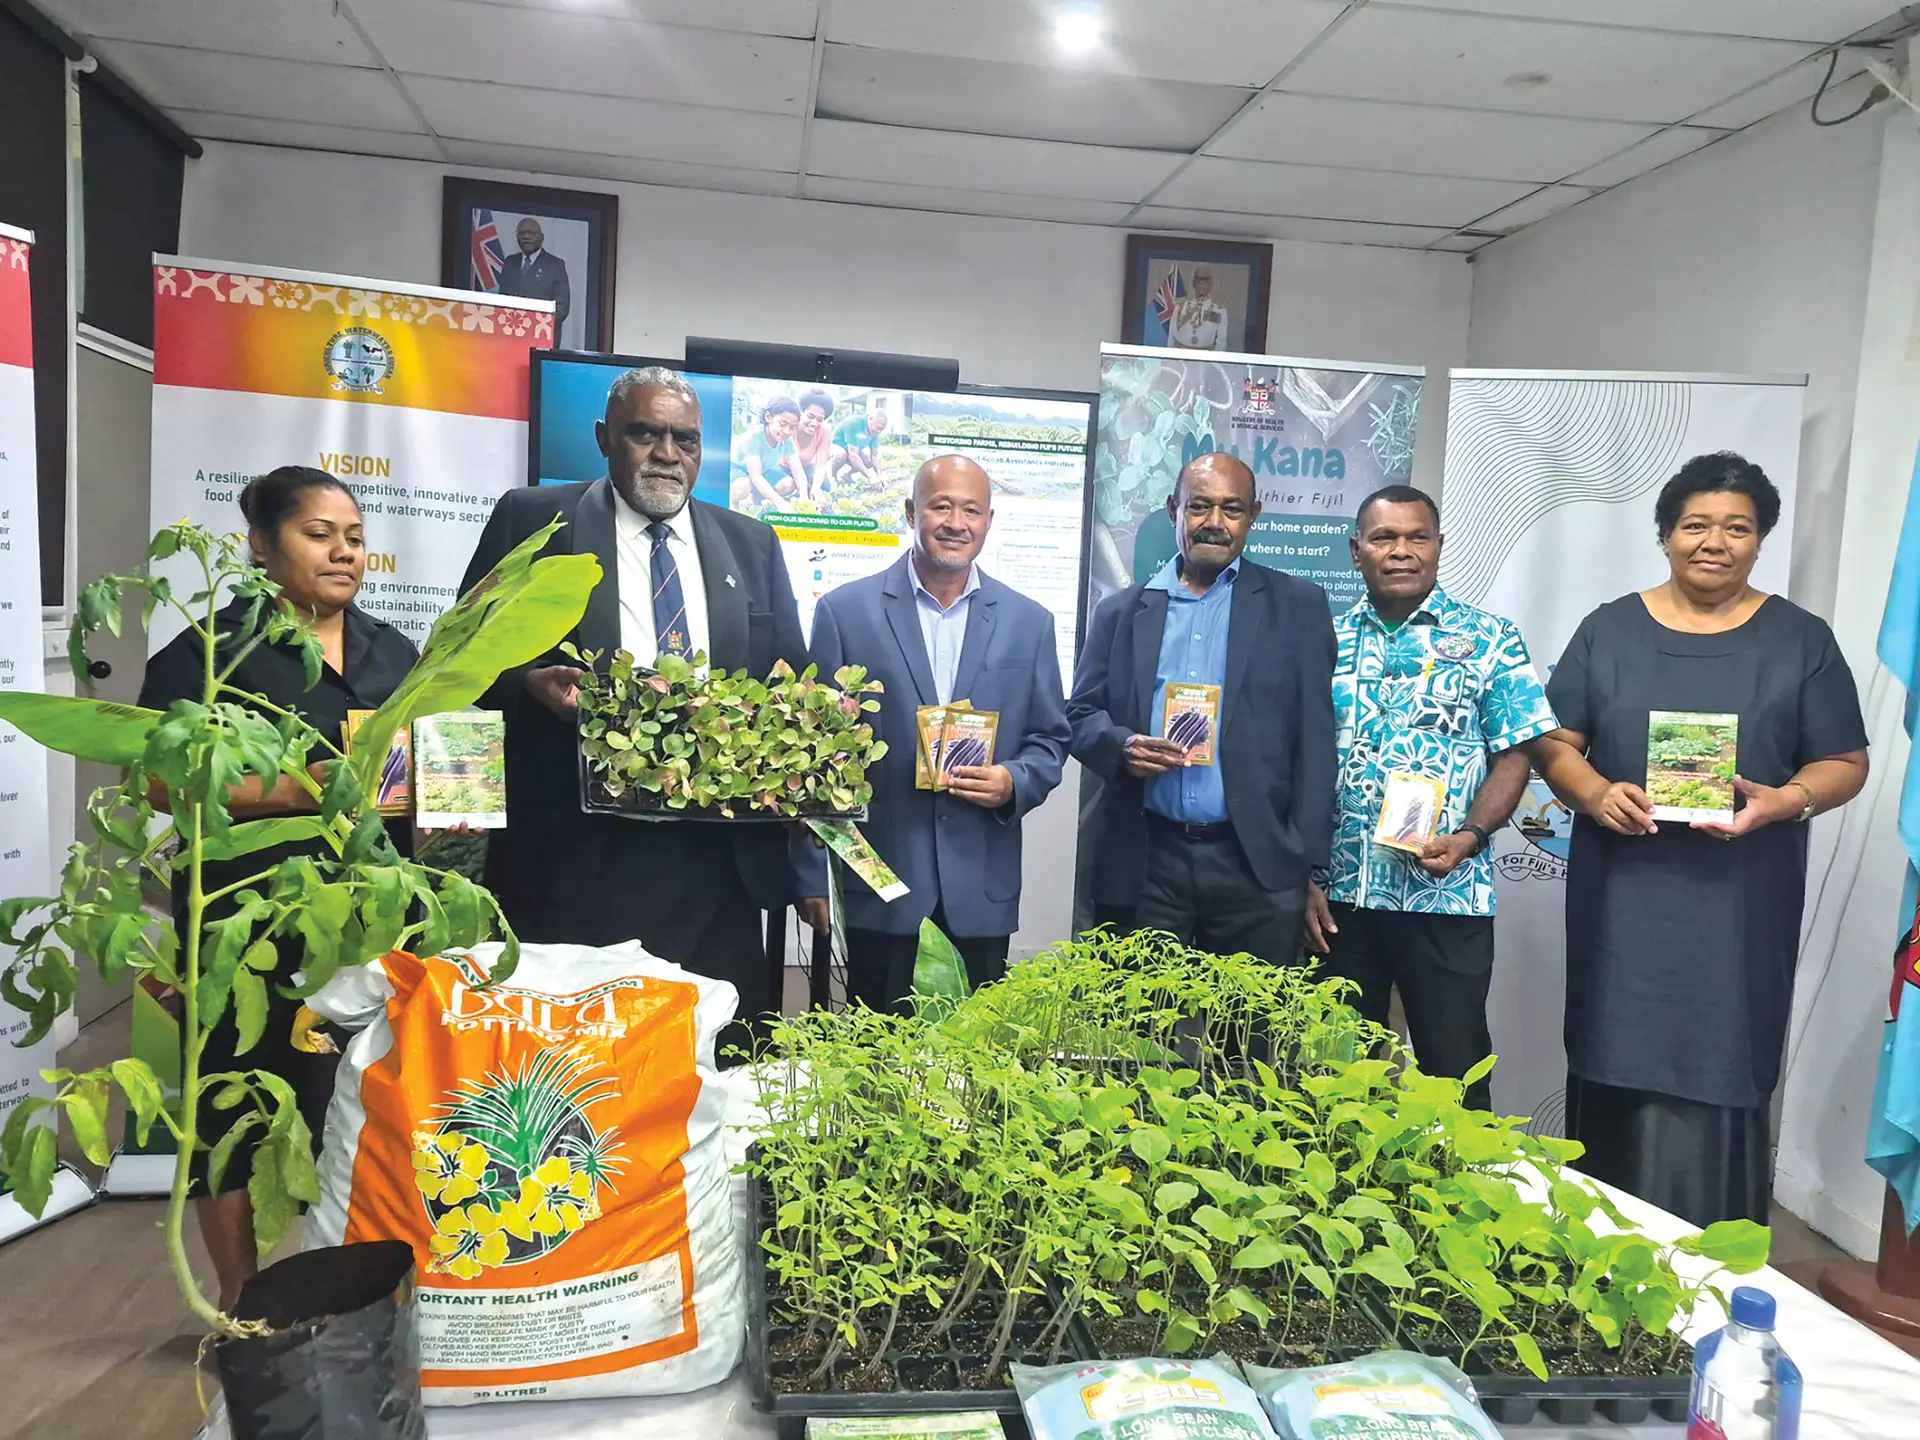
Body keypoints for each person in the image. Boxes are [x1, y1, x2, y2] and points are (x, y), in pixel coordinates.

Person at [1534, 452, 1869, 1226]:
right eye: (1695, 525)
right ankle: (1596, 1251)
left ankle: (1711, 1259)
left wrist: (1785, 801)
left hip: (1739, 906)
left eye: (1737, 528)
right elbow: (1554, 744)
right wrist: (1595, 793)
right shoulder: (1608, 630)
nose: (1714, 542)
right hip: (1623, 904)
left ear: (1761, 540)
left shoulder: (1801, 641)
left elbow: (1845, 762)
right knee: (1613, 1054)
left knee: (1724, 1062)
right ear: (1664, 535)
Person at [460, 367, 828, 1039]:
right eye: (645, 434)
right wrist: (527, 683)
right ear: (605, 438)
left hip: (714, 864)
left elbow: (788, 679)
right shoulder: (534, 518)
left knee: (710, 1059)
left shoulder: (751, 543)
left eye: (685, 439)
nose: (666, 454)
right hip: (575, 856)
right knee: (576, 1064)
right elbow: (461, 655)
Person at [137, 466, 419, 1310]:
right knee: (230, 1104)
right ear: (261, 545)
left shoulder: (394, 651)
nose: (344, 553)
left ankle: (364, 1299)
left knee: (366, 1101)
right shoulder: (208, 653)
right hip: (244, 916)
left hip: (372, 916)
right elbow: (161, 779)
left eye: (355, 538)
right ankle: (242, 1303)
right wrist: (297, 790)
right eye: (319, 534)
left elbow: (419, 771)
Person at [1305, 486, 1558, 1110]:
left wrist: (1471, 836)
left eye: (1417, 537)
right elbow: (1292, 763)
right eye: (1384, 538)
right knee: (1337, 1084)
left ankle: (1459, 1174)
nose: (1401, 551)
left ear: (1439, 547)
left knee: (1455, 1072)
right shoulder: (1321, 642)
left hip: (1447, 895)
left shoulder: (1491, 639)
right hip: (1339, 900)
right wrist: (1300, 875)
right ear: (1356, 551)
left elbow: (1516, 754)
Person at [807, 455, 1071, 1009]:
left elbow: (1050, 739)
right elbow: (814, 757)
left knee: (973, 1055)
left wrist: (1013, 782)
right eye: (941, 506)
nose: (956, 523)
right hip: (882, 885)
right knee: (876, 1052)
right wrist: (811, 875)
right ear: (911, 512)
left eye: (971, 510)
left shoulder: (1030, 622)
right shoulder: (844, 613)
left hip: (980, 886)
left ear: (989, 521)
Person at [1069, 451, 1335, 963]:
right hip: (1148, 858)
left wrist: (1304, 863)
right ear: (1174, 510)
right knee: (1142, 1014)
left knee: (1248, 1016)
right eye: (1199, 507)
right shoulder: (1120, 612)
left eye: (1231, 509)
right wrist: (1122, 746)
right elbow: (1079, 714)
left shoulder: (1297, 607)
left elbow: (1316, 744)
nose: (1214, 522)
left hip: (1256, 864)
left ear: (1253, 516)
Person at [496, 217, 571, 332]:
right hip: (511, 332)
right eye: (522, 233)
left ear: (541, 237)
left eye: (531, 233)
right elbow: (502, 299)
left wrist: (533, 327)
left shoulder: (555, 265)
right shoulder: (510, 262)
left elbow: (561, 308)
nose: (526, 236)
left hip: (541, 334)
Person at [731, 396, 806, 506]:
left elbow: (798, 470)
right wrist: (779, 502)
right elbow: (756, 476)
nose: (786, 431)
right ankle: (732, 504)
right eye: (782, 424)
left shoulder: (787, 441)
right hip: (739, 470)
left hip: (764, 471)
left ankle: (757, 500)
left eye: (792, 427)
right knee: (743, 486)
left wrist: (804, 497)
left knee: (788, 484)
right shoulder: (754, 437)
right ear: (768, 417)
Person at [1169, 266, 1231, 351]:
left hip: (1205, 356)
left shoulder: (1218, 310)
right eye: (1199, 282)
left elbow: (1221, 340)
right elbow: (1171, 335)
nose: (1201, 285)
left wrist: (1214, 358)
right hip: (1182, 354)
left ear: (1210, 285)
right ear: (1194, 284)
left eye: (1205, 283)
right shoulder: (1181, 306)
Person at [832, 403, 891, 486]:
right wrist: (870, 477)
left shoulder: (875, 432)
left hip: (852, 450)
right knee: (841, 454)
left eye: (881, 429)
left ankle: (846, 475)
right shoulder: (855, 423)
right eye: (878, 427)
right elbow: (853, 456)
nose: (879, 431)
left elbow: (874, 455)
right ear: (870, 418)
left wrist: (880, 475)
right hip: (836, 447)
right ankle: (833, 476)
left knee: (868, 460)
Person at [794, 390, 837, 499]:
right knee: (786, 486)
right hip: (785, 467)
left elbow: (821, 465)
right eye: (810, 416)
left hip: (806, 467)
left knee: (825, 487)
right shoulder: (791, 425)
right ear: (801, 413)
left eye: (819, 419)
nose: (814, 423)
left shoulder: (824, 431)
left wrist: (815, 488)